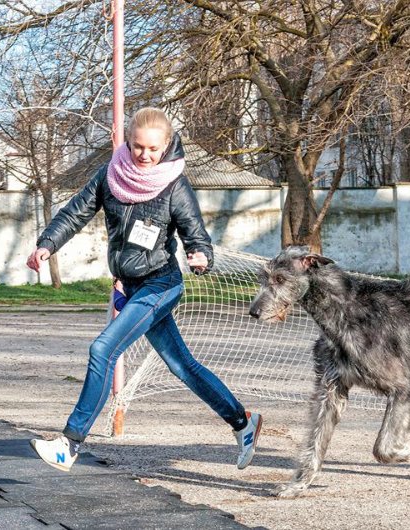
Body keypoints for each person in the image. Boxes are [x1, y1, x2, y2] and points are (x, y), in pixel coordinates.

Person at [26, 107, 262, 472]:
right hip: (132, 285)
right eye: (138, 147)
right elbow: (75, 213)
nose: (145, 156)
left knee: (103, 348)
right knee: (182, 366)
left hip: (160, 284)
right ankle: (243, 423)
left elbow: (196, 235)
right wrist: (47, 244)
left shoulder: (174, 185)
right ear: (128, 143)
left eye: (153, 149)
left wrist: (201, 256)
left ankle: (69, 444)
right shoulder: (110, 174)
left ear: (166, 145)